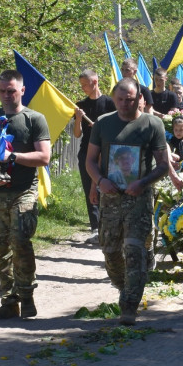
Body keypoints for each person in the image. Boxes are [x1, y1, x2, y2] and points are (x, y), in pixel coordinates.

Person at [86, 78, 170, 325]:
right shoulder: (103, 124)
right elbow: (91, 160)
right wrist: (99, 181)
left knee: (134, 250)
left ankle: (129, 306)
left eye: (130, 99)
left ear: (139, 99)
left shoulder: (152, 124)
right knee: (111, 253)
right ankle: (126, 288)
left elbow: (163, 165)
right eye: (120, 99)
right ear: (114, 98)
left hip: (138, 199)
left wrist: (142, 183)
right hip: (110, 199)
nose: (124, 104)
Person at [0, 70, 51, 319]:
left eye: (11, 91)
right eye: (1, 91)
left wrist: (12, 156)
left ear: (22, 90)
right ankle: (9, 301)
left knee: (20, 242)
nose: (6, 96)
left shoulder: (34, 119)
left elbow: (44, 157)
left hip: (23, 191)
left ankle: (27, 296)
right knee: (0, 247)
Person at [72, 68, 114, 243]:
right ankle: (95, 227)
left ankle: (108, 224)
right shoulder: (80, 105)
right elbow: (76, 134)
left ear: (94, 82)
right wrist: (79, 119)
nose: (82, 88)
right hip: (86, 152)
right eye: (81, 85)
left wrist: (101, 125)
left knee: (104, 187)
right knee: (88, 186)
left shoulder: (110, 104)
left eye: (85, 85)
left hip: (107, 153)